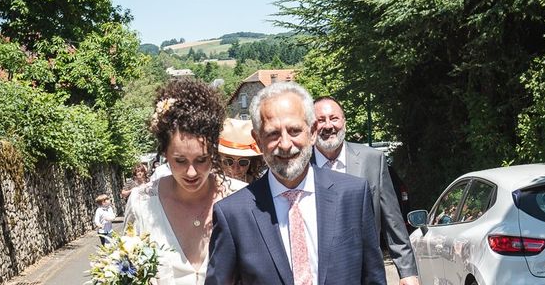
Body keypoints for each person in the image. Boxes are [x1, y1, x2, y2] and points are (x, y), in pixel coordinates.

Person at [206, 81, 386, 285]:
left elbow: (373, 278)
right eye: (273, 133)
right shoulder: (233, 215)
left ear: (312, 132)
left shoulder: (352, 195)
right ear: (257, 140)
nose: (285, 144)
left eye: (294, 131)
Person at [124, 78, 245, 285]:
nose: (191, 172)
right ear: (164, 154)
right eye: (180, 161)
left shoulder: (242, 198)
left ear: (214, 153)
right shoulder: (141, 203)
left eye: (201, 160)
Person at [313, 96, 420, 285]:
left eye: (334, 118)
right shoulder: (302, 167)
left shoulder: (372, 160)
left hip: (365, 274)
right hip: (317, 273)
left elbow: (392, 221)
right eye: (320, 120)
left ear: (344, 122)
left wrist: (407, 272)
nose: (328, 125)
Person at [218, 118, 265, 183]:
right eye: (229, 161)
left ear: (251, 162)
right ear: (219, 160)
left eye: (243, 162)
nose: (236, 168)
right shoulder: (208, 186)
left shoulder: (258, 185)